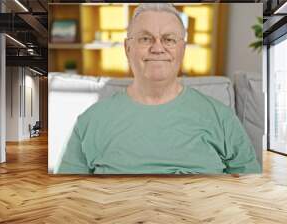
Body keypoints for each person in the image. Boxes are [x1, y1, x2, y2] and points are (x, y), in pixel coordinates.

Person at [54, 3, 261, 175]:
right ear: (127, 48)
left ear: (182, 48)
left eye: (169, 39)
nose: (158, 47)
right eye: (145, 38)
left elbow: (251, 193)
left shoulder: (221, 118)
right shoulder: (90, 121)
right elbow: (66, 198)